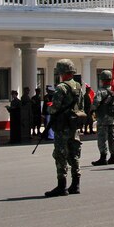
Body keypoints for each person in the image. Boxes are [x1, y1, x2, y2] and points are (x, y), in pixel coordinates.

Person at [44, 59, 84, 197]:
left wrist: (49, 108)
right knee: (74, 154)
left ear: (61, 72)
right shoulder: (78, 86)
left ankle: (62, 186)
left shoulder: (61, 88)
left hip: (62, 126)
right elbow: (82, 106)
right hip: (74, 125)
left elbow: (54, 108)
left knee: (60, 154)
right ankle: (76, 185)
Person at [91, 70, 114, 165]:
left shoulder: (100, 91)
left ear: (102, 80)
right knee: (112, 138)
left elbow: (95, 104)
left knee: (102, 138)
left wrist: (91, 110)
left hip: (102, 119)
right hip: (112, 118)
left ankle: (103, 157)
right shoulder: (113, 91)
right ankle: (113, 157)